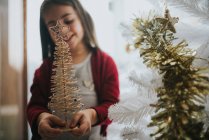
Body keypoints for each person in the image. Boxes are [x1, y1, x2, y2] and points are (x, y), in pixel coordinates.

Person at [26, 0, 120, 140]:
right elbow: (34, 107)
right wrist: (41, 118)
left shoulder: (105, 63)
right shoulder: (45, 70)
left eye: (68, 20)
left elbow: (113, 106)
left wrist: (91, 115)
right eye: (52, 26)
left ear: (82, 18)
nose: (62, 30)